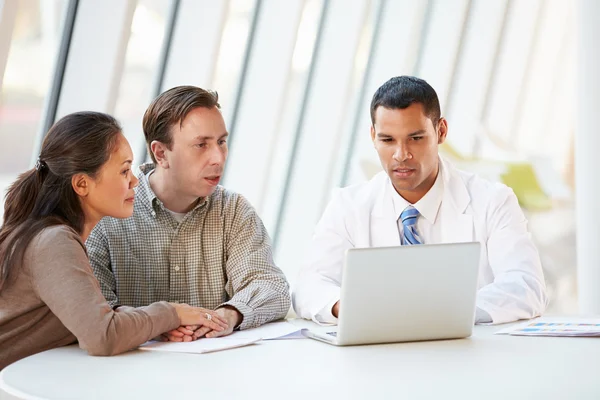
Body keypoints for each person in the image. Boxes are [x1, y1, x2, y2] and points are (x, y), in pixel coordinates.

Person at [292, 76, 547, 325]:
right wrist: (346, 306)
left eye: (415, 138)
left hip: (466, 356)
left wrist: (437, 312)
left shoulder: (493, 201)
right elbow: (309, 286)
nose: (401, 155)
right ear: (373, 136)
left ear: (441, 131)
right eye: (387, 140)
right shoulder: (348, 206)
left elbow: (526, 286)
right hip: (378, 357)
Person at [0, 112, 227, 370]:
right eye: (123, 170)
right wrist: (172, 313)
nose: (134, 180)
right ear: (82, 184)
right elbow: (102, 336)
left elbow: (92, 318)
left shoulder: (51, 235)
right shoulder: (54, 242)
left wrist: (156, 325)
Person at [87, 86, 290, 342]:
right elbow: (94, 309)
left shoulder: (234, 210)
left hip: (213, 370)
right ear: (161, 153)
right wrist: (156, 322)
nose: (218, 158)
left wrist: (227, 316)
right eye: (200, 145)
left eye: (221, 142)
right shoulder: (108, 215)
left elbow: (272, 287)